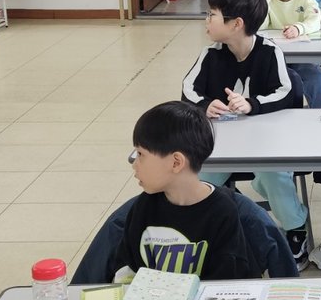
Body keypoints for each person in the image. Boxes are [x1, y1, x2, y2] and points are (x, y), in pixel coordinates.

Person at [181, 0, 312, 270]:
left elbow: (286, 92)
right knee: (198, 179)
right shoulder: (210, 54)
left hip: (268, 142)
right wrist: (205, 105)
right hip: (223, 144)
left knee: (272, 175)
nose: (206, 20)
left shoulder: (269, 52)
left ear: (236, 24)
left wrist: (253, 104)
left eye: (212, 14)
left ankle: (295, 229)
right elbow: (188, 90)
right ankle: (220, 224)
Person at [109, 101, 257, 282]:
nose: (135, 164)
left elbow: (225, 282)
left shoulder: (222, 212)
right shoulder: (144, 206)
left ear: (176, 162)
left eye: (141, 154)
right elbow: (126, 268)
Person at [261, 0, 321, 108]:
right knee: (273, 81)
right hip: (276, 57)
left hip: (304, 57)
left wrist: (298, 28)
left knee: (316, 79)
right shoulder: (268, 0)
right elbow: (260, 25)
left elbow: (315, 20)